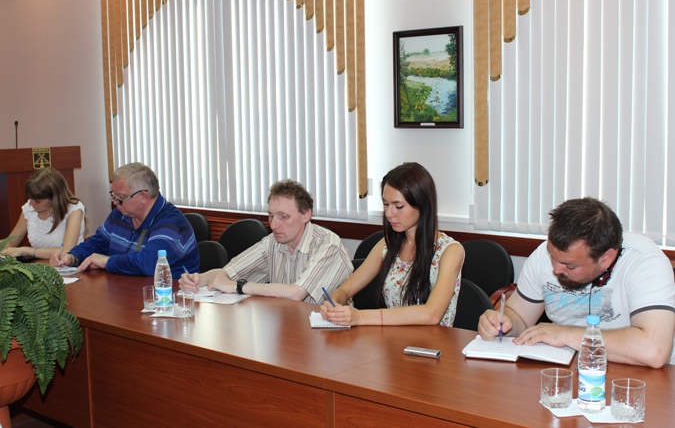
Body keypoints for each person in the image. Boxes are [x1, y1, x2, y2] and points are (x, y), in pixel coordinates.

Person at [478, 197, 675, 368]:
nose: (556, 269)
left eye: (569, 266)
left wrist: (565, 335)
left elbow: (654, 350)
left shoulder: (645, 262)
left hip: (637, 376)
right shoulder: (544, 255)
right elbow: (519, 317)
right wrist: (502, 322)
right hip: (565, 368)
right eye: (552, 257)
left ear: (606, 258)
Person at [320, 162, 464, 326]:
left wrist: (360, 317)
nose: (389, 214)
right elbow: (345, 290)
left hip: (434, 341)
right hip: (392, 337)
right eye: (386, 204)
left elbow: (431, 314)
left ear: (422, 204)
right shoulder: (387, 244)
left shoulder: (450, 250)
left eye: (398, 206)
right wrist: (334, 303)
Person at [178, 179, 352, 304]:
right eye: (271, 216)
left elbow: (296, 293)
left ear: (306, 214)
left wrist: (238, 286)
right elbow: (228, 273)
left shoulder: (328, 245)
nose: (274, 225)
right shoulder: (272, 242)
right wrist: (197, 279)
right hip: (288, 325)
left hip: (331, 332)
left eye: (283, 217)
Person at [51, 162, 199, 277]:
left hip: (169, 298)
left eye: (121, 197)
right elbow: (98, 243)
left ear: (143, 196)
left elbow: (149, 263)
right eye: (113, 196)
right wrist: (72, 257)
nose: (115, 202)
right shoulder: (121, 213)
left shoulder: (172, 223)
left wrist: (107, 261)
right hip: (126, 291)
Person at [2, 167, 85, 260]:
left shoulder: (74, 209)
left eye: (37, 201)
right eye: (30, 198)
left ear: (54, 198)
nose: (31, 203)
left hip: (68, 267)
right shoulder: (29, 209)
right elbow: (10, 242)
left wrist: (25, 251)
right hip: (39, 266)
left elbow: (66, 251)